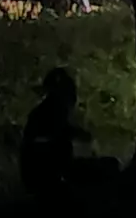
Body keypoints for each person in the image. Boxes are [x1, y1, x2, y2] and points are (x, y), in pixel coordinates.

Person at [20, 69, 117, 199]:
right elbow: (51, 144)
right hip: (47, 179)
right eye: (69, 93)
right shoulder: (47, 115)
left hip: (49, 175)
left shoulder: (48, 114)